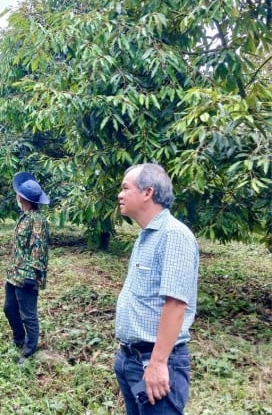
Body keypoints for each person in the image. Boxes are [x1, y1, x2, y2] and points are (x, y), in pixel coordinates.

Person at [114, 163, 200, 414]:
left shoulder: (173, 235)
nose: (120, 194)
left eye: (125, 188)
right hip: (133, 361)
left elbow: (176, 304)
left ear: (147, 192)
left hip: (152, 364)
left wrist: (157, 362)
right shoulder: (147, 235)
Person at [3, 172, 50, 364]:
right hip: (14, 273)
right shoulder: (25, 216)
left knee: (28, 315)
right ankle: (19, 339)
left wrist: (32, 276)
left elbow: (38, 249)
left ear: (22, 198)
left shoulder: (37, 220)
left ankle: (29, 351)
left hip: (26, 276)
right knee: (9, 308)